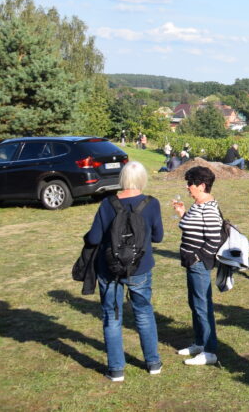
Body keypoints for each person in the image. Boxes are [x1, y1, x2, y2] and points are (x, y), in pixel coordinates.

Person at [84, 161, 163, 381]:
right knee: (144, 313)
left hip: (109, 269)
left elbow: (94, 238)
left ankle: (116, 369)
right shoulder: (152, 204)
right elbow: (158, 237)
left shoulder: (108, 204)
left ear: (122, 179)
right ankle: (153, 363)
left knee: (112, 316)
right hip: (140, 267)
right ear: (142, 179)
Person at [172, 166, 222, 366]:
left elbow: (214, 239)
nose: (187, 187)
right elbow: (191, 227)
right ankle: (200, 343)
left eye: (190, 184)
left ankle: (210, 351)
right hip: (191, 263)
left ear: (201, 186)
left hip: (198, 265)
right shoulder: (197, 205)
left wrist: (197, 258)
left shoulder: (208, 208)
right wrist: (182, 213)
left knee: (203, 306)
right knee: (195, 304)